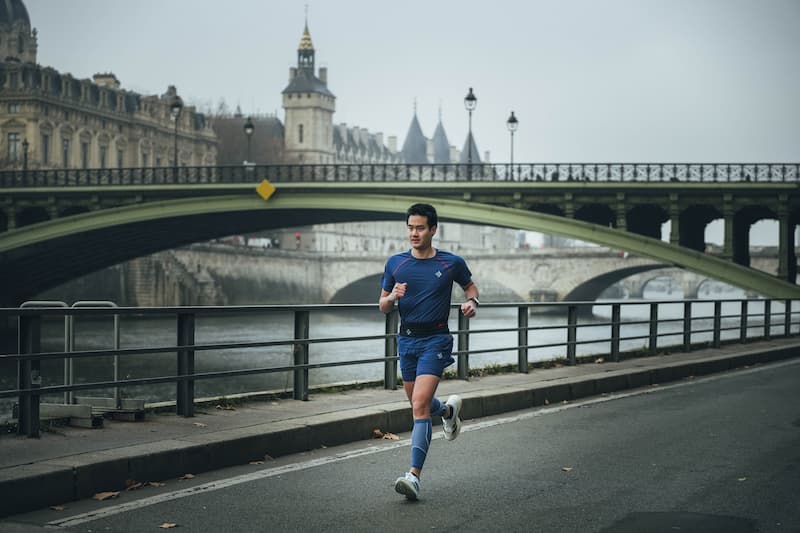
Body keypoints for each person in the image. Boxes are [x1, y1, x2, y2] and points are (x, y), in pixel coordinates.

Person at [379, 203, 480, 501]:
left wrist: (472, 304)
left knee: (419, 405)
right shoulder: (395, 263)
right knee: (417, 403)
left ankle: (413, 476)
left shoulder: (451, 263)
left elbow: (471, 288)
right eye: (410, 227)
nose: (414, 233)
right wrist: (392, 297)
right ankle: (448, 412)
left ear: (433, 230)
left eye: (420, 228)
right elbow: (382, 305)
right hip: (406, 340)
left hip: (436, 339)